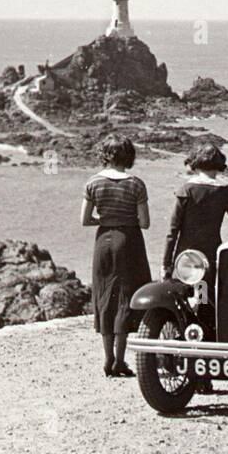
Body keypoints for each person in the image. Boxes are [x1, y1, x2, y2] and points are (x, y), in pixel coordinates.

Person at [82, 135, 152, 377]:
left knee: (104, 297)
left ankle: (108, 358)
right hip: (129, 241)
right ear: (129, 156)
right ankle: (120, 361)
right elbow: (145, 223)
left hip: (103, 242)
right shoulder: (136, 184)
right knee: (126, 298)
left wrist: (106, 219)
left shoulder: (93, 183)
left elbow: (85, 219)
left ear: (105, 155)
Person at [162, 144, 228, 291]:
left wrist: (166, 264)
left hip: (185, 256)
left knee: (183, 298)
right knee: (205, 296)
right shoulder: (226, 192)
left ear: (196, 165)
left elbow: (172, 231)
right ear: (219, 166)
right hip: (211, 253)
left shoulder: (186, 190)